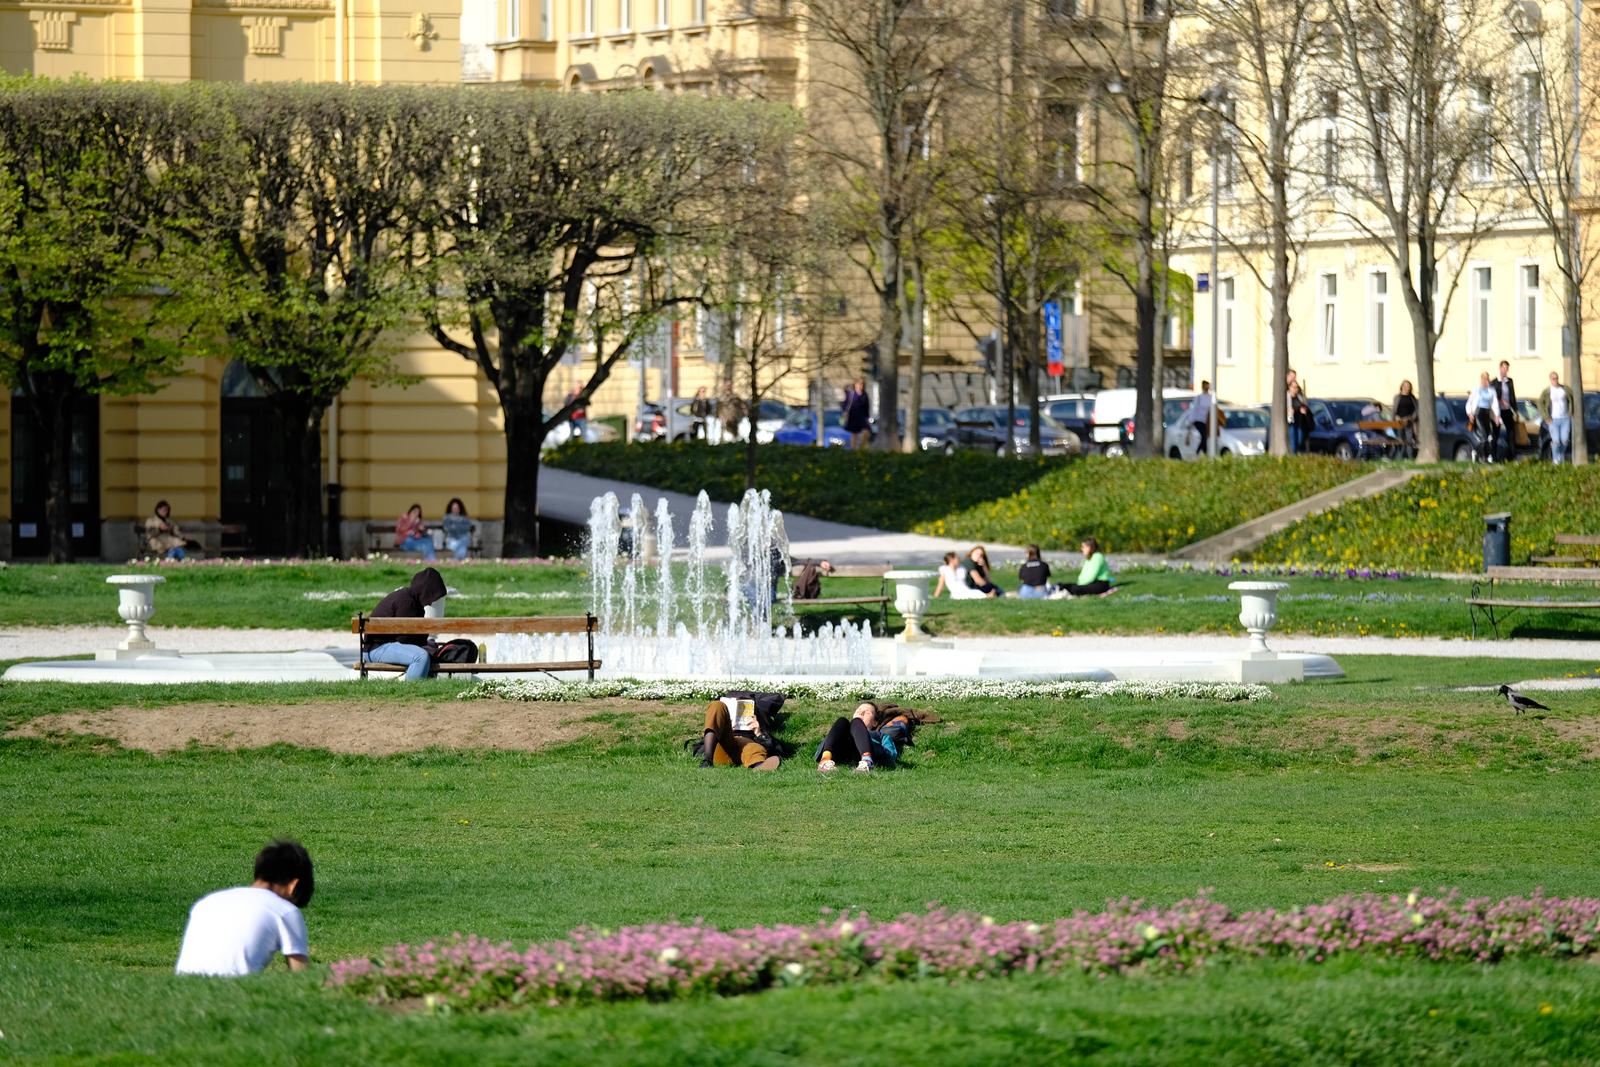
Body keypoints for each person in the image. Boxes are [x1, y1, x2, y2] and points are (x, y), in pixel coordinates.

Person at [175, 840, 314, 977]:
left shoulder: (207, 902)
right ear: (293, 886)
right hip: (231, 994)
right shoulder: (286, 911)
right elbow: (303, 979)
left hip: (178, 993)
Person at [363, 567, 448, 680]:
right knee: (420, 657)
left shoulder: (414, 602)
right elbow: (405, 639)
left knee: (423, 653)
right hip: (376, 649)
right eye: (434, 595)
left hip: (382, 646)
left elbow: (413, 638)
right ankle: (411, 690)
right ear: (427, 591)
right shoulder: (407, 602)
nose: (433, 601)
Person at [815, 700, 918, 774]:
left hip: (870, 752)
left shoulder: (880, 735)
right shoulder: (841, 730)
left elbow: (890, 754)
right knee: (842, 720)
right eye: (858, 710)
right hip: (842, 751)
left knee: (856, 722)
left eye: (867, 712)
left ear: (875, 723)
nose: (861, 712)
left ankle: (867, 761)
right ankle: (825, 761)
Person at [697, 697, 781, 771]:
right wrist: (724, 724)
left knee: (752, 747)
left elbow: (774, 748)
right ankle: (707, 761)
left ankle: (759, 765)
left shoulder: (758, 723)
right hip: (724, 744)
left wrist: (758, 732)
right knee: (716, 705)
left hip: (747, 744)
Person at [1052, 537, 1116, 598]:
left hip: (1101, 584)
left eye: (1083, 547)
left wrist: (1080, 584)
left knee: (1075, 588)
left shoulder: (1098, 557)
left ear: (1090, 547)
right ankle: (1059, 586)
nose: (1082, 549)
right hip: (1092, 582)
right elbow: (1084, 573)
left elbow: (1092, 575)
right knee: (1071, 586)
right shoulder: (1089, 558)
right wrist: (1080, 583)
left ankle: (1060, 588)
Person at [1539, 370, 1575, 465]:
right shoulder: (1547, 391)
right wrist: (1546, 417)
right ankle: (1555, 460)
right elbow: (1540, 403)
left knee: (1565, 440)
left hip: (1565, 419)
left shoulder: (1564, 389)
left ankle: (1561, 456)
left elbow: (1572, 399)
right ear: (1550, 379)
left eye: (1556, 378)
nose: (1555, 380)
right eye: (1553, 378)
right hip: (1553, 419)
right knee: (1556, 441)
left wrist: (1570, 412)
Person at [1467, 371, 1501, 463]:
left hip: (1487, 413)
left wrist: (1497, 416)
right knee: (1484, 436)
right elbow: (1469, 403)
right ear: (1481, 379)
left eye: (1487, 379)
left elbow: (1495, 404)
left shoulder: (1491, 390)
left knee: (1489, 437)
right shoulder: (1476, 390)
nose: (1486, 381)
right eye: (1484, 379)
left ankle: (1476, 452)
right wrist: (1470, 413)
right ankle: (1484, 457)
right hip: (1478, 413)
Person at [1494, 360, 1518, 460]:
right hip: (1498, 411)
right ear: (1500, 368)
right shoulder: (1495, 382)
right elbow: (1494, 395)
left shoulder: (1509, 381)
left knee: (1511, 433)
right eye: (1504, 368)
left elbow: (1512, 396)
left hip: (1507, 410)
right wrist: (1500, 401)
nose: (1505, 371)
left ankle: (1512, 457)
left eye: (1507, 369)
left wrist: (1515, 410)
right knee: (1496, 433)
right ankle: (1494, 456)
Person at [842, 378, 871, 450]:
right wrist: (845, 412)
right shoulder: (851, 394)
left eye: (862, 384)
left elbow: (867, 407)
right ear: (855, 384)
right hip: (853, 416)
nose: (860, 386)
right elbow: (846, 404)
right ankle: (853, 449)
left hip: (862, 417)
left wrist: (867, 417)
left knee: (866, 432)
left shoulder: (865, 394)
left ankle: (861, 446)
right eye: (859, 384)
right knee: (854, 433)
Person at [1392, 380, 1419, 458]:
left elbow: (1416, 410)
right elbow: (1394, 410)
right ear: (1402, 387)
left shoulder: (1412, 398)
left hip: (1409, 422)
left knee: (1409, 440)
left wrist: (1411, 418)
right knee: (1399, 440)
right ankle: (1399, 457)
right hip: (1399, 422)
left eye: (1409, 386)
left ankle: (1410, 457)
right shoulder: (1397, 397)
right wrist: (1396, 417)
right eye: (1406, 386)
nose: (1407, 388)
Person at [1188, 381, 1216, 456]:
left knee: (1205, 436)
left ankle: (1203, 452)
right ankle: (1199, 452)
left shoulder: (1211, 397)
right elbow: (1194, 409)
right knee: (1204, 435)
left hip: (1207, 420)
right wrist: (1191, 421)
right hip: (1199, 420)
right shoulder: (1199, 397)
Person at [1287, 382, 1312, 455]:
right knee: (1293, 440)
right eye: (1293, 387)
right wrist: (1290, 410)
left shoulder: (1299, 397)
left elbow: (1304, 405)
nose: (1295, 389)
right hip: (1291, 421)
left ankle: (1296, 452)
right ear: (1290, 388)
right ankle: (1293, 455)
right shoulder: (1287, 397)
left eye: (1296, 387)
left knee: (1299, 439)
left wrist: (1304, 409)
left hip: (1300, 421)